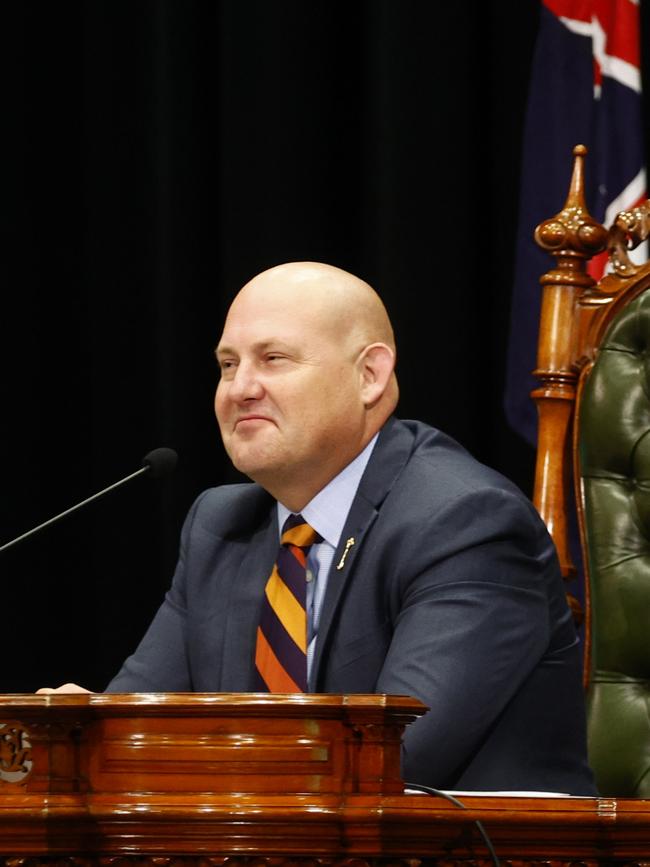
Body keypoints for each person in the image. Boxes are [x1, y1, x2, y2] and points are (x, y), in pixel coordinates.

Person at [39, 261, 597, 795]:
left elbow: (388, 760)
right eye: (228, 364)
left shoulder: (464, 521)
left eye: (274, 358)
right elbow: (124, 730)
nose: (240, 389)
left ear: (370, 376)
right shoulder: (220, 525)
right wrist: (82, 739)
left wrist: (149, 753)